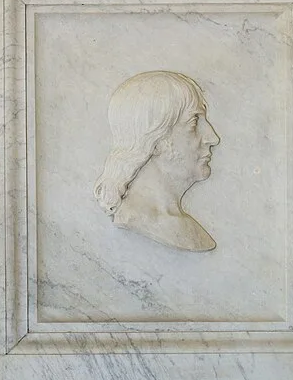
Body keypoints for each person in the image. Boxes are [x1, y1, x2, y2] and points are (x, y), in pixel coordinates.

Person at [94, 70, 219, 251]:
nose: (213, 138)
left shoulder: (192, 232)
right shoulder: (133, 219)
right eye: (194, 122)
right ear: (155, 140)